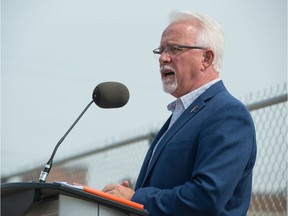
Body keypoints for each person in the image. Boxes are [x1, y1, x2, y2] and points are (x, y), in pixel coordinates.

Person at [102, 10, 257, 216]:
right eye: (161, 50)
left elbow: (206, 197)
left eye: (174, 48)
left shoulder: (228, 114)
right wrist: (129, 197)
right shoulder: (182, 113)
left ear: (206, 58)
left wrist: (136, 198)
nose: (163, 58)